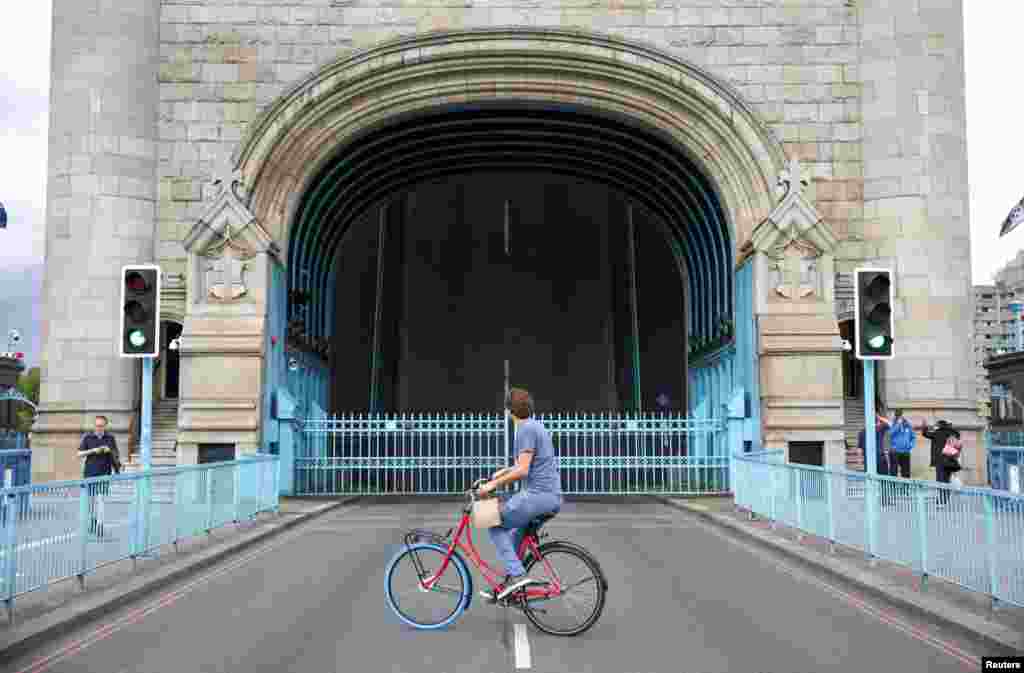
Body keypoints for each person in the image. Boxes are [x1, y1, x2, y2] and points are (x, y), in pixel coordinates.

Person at [477, 387, 563, 601]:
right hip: (550, 497)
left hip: (537, 496)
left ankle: (517, 576)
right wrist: (504, 471)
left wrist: (492, 485)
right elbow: (524, 464)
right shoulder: (535, 426)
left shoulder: (524, 429)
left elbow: (523, 470)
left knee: (491, 521)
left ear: (509, 411)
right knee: (517, 535)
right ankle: (509, 587)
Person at [78, 415, 121, 538]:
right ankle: (92, 521)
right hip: (90, 474)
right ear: (94, 426)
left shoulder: (110, 438)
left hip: (104, 473)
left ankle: (100, 525)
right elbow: (79, 453)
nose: (99, 428)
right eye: (97, 426)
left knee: (101, 500)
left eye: (101, 426)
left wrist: (109, 450)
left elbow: (116, 454)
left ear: (105, 426)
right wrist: (93, 451)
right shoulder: (88, 437)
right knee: (91, 501)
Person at [923, 419, 960, 487]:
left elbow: (925, 434)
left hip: (939, 461)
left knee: (940, 481)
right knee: (947, 480)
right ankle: (946, 497)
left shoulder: (937, 433)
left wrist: (925, 427)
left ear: (939, 425)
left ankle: (941, 496)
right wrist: (950, 427)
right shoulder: (952, 433)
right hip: (950, 461)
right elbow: (957, 436)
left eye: (937, 425)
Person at [888, 409, 917, 479]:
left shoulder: (908, 425)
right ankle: (893, 488)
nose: (900, 416)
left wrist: (910, 446)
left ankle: (905, 489)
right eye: (898, 415)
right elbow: (890, 433)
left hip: (906, 452)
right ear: (895, 415)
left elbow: (913, 437)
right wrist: (898, 424)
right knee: (893, 472)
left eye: (900, 415)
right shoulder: (892, 423)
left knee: (906, 473)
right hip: (895, 451)